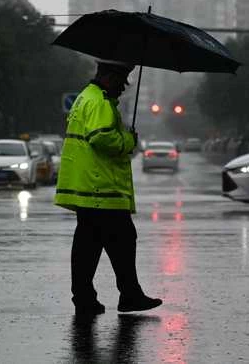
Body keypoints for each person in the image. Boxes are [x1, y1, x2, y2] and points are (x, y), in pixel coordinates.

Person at [55, 60, 162, 316]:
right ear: (109, 76)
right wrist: (128, 140)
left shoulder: (85, 97)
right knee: (123, 238)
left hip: (87, 185)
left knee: (88, 243)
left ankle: (86, 297)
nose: (123, 87)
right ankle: (129, 295)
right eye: (122, 80)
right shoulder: (99, 101)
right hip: (100, 187)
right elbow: (101, 136)